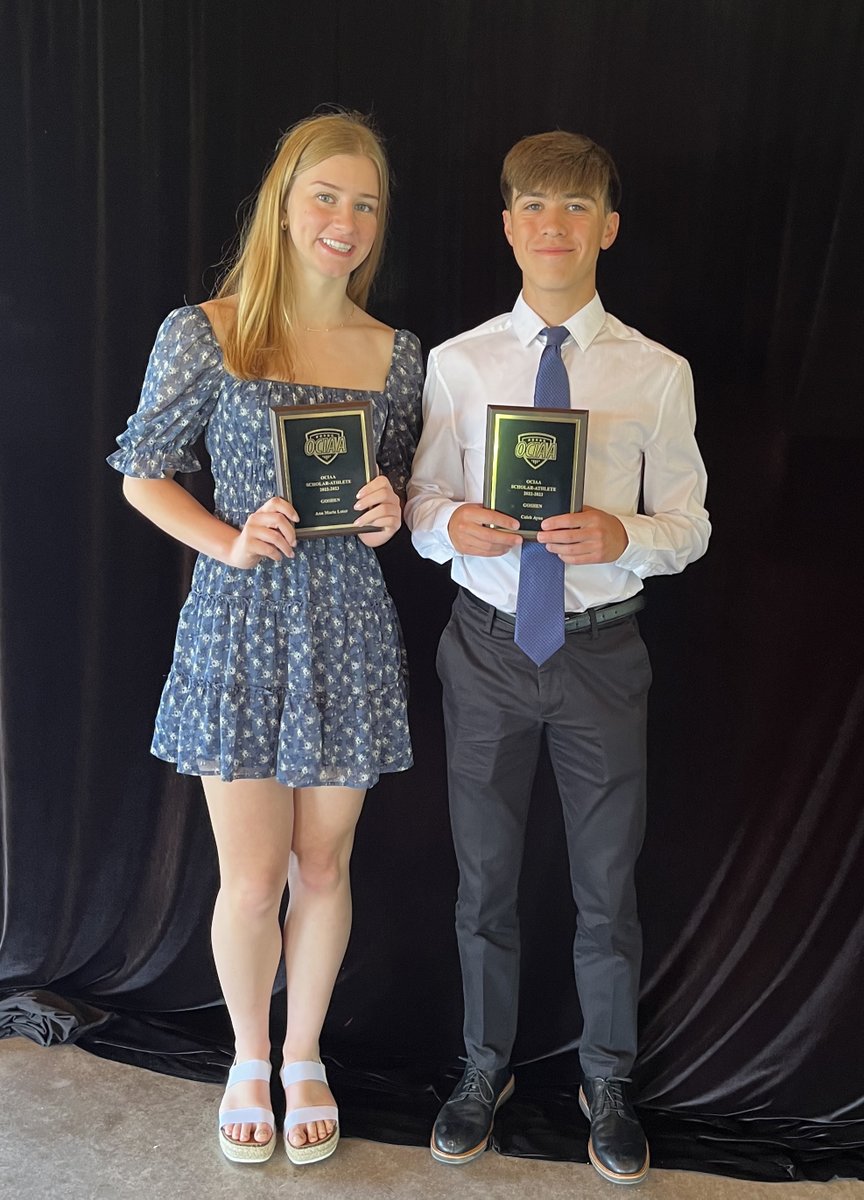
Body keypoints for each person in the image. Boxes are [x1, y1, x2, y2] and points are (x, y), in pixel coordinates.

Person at [108, 110, 422, 1166]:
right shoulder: (206, 330)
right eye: (326, 196)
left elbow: (405, 492)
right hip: (240, 620)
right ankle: (248, 1056)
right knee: (251, 879)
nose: (345, 220)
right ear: (285, 204)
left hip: (347, 626)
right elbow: (142, 470)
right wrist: (228, 541)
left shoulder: (397, 354)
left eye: (364, 203)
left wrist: (393, 512)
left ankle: (303, 1056)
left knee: (323, 867)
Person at [404, 130, 709, 1185]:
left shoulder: (657, 375)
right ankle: (482, 1064)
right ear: (506, 225)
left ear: (608, 229)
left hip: (600, 653)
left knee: (604, 884)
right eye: (533, 206)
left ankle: (606, 1076)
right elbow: (419, 505)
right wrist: (455, 528)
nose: (553, 226)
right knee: (483, 878)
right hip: (484, 649)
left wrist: (628, 537)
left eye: (575, 209)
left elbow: (691, 523)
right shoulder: (457, 362)